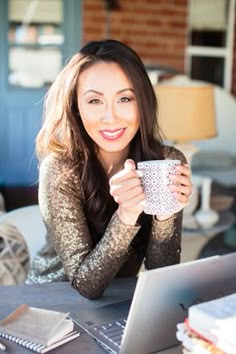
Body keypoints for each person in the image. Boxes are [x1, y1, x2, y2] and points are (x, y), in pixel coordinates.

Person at [26, 39, 192, 299]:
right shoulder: (60, 169)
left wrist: (165, 214)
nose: (111, 117)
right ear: (76, 108)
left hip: (118, 302)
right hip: (51, 302)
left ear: (143, 102)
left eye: (125, 98)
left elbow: (162, 271)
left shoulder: (165, 162)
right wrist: (127, 214)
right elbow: (85, 284)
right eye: (95, 101)